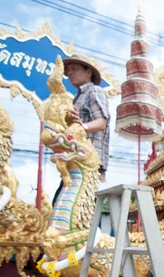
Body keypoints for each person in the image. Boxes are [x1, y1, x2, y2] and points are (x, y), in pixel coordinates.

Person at [54, 53, 110, 204]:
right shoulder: (77, 97)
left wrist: (82, 126)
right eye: (68, 70)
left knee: (77, 205)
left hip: (89, 159)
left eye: (74, 68)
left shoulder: (94, 91)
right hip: (76, 158)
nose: (70, 73)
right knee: (67, 204)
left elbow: (101, 122)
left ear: (88, 72)